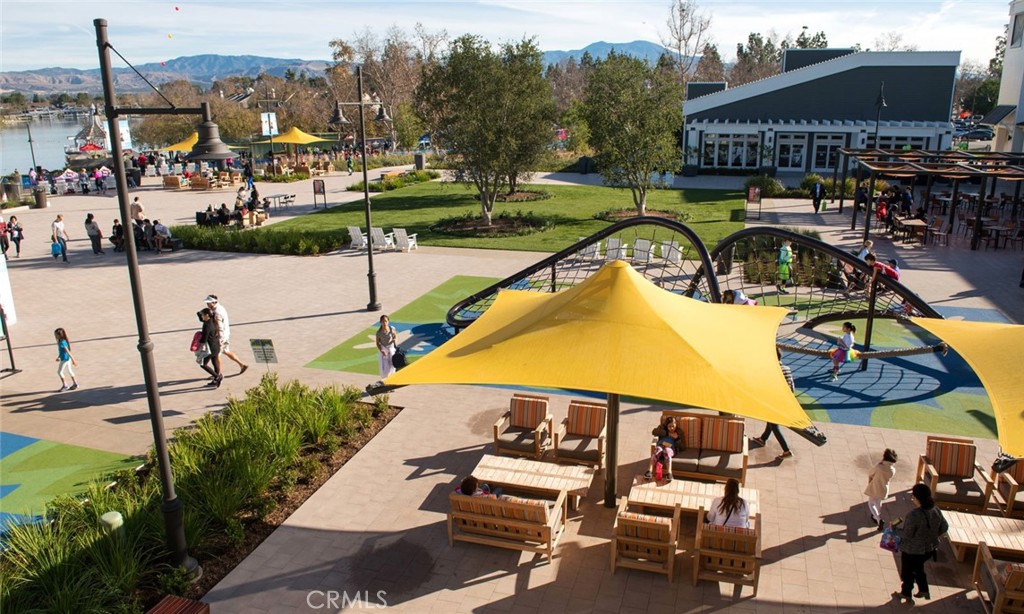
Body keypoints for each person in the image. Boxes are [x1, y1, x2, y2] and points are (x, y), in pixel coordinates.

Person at [891, 483, 948, 605]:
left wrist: (894, 529)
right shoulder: (936, 510)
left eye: (913, 497)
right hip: (929, 548)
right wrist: (932, 534)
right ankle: (923, 590)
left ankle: (906, 593)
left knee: (907, 572)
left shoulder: (914, 515)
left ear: (917, 498)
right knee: (918, 569)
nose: (912, 499)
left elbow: (907, 535)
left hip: (912, 550)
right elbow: (944, 527)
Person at [751, 349, 794, 459]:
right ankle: (763, 439)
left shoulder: (773, 371)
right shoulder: (787, 369)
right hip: (785, 401)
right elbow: (792, 386)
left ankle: (786, 450)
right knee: (770, 421)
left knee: (774, 425)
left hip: (776, 402)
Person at [204, 295, 249, 374]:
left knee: (216, 355)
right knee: (226, 351)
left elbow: (219, 326)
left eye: (209, 303)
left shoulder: (217, 312)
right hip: (226, 334)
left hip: (221, 337)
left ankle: (218, 374)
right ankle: (242, 365)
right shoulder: (221, 307)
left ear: (214, 302)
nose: (207, 304)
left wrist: (219, 339)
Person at [865, 448, 898, 530]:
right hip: (884, 488)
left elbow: (871, 473)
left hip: (875, 486)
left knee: (871, 503)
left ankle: (878, 519)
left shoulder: (879, 467)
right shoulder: (893, 470)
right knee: (878, 501)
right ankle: (877, 514)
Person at [645, 416, 680, 481]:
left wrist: (677, 438)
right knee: (658, 450)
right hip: (661, 445)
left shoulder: (679, 432)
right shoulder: (663, 429)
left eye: (673, 426)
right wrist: (665, 432)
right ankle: (649, 471)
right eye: (669, 426)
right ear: (666, 426)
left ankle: (669, 473)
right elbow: (654, 432)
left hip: (670, 448)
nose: (672, 428)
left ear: (676, 424)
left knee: (667, 451)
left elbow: (682, 446)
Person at [196, 308, 222, 387]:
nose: (201, 317)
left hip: (210, 348)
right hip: (216, 346)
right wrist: (198, 314)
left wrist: (198, 343)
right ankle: (216, 380)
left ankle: (217, 377)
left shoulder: (207, 325)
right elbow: (201, 320)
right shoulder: (212, 321)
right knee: (215, 363)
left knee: (203, 364)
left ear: (207, 315)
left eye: (202, 315)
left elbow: (204, 338)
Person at [375, 314, 398, 379]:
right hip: (384, 350)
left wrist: (395, 341)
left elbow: (395, 336)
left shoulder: (392, 329)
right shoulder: (378, 333)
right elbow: (377, 343)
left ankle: (392, 378)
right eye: (383, 321)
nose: (384, 323)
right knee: (385, 367)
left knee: (392, 365)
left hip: (391, 349)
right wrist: (381, 350)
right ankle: (385, 379)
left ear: (388, 321)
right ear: (380, 322)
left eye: (386, 321)